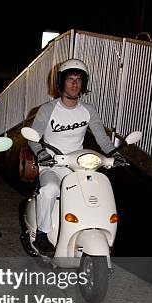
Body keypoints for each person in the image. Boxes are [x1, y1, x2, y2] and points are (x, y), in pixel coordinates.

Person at [27, 59, 116, 256]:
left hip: (78, 166)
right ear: (61, 82)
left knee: (94, 195)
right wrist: (42, 154)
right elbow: (34, 138)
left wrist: (113, 154)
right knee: (50, 189)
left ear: (84, 84)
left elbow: (101, 137)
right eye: (70, 79)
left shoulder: (88, 110)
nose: (74, 84)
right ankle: (42, 234)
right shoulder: (48, 109)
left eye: (78, 80)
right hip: (52, 164)